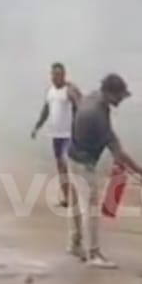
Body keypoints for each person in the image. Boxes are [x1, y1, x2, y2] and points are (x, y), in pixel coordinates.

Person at [67, 73, 142, 268]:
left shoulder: (93, 98)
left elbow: (77, 98)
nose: (122, 100)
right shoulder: (97, 115)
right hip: (83, 164)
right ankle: (93, 254)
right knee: (91, 208)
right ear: (109, 93)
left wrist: (72, 91)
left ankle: (75, 243)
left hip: (71, 156)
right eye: (120, 96)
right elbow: (118, 154)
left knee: (78, 206)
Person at [30, 62, 84, 208]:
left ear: (64, 75)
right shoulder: (51, 91)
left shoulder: (69, 90)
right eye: (53, 75)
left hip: (69, 135)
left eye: (59, 75)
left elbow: (81, 106)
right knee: (61, 168)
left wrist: (81, 127)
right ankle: (67, 198)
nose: (55, 78)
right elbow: (45, 111)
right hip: (56, 135)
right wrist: (37, 127)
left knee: (68, 165)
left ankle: (77, 196)